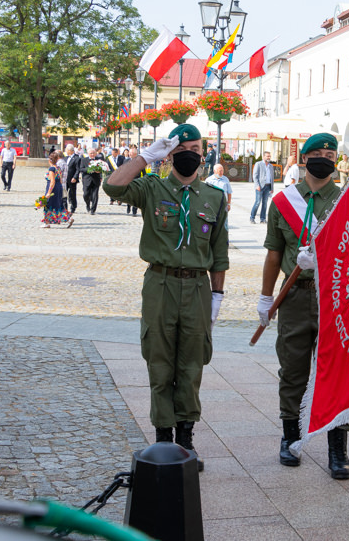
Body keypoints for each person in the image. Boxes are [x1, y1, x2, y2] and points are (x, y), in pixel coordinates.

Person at [103, 124, 229, 471]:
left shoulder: (214, 197)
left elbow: (219, 253)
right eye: (184, 148)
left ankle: (185, 440)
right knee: (159, 362)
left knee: (192, 364)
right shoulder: (151, 188)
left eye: (197, 149)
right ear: (171, 154)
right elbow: (111, 186)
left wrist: (217, 296)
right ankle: (162, 439)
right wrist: (145, 156)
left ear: (204, 155)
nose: (192, 154)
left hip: (198, 288)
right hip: (160, 284)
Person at [257, 132, 349, 479]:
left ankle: (337, 448)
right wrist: (266, 298)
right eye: (319, 152)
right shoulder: (283, 203)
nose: (325, 158)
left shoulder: (348, 200)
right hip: (295, 295)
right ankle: (290, 438)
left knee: (337, 372)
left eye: (331, 153)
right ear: (305, 158)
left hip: (336, 297)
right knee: (293, 370)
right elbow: (273, 254)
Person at [41, 152, 74, 229]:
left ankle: (46, 222)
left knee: (48, 204)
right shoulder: (58, 168)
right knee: (58, 204)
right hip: (59, 187)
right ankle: (68, 219)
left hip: (53, 188)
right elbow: (60, 180)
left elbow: (52, 181)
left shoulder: (52, 169)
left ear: (50, 160)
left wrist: (49, 192)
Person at [81, 146, 110, 214]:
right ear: (88, 153)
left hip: (96, 179)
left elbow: (103, 168)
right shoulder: (83, 160)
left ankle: (93, 210)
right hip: (87, 179)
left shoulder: (99, 160)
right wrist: (90, 170)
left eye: (93, 153)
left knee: (95, 195)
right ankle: (88, 205)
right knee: (86, 194)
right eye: (91, 153)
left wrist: (99, 172)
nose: (92, 154)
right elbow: (81, 169)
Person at [250, 151, 274, 224]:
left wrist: (272, 188)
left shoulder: (271, 166)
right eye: (267, 156)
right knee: (257, 202)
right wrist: (257, 185)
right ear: (263, 157)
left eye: (269, 156)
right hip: (260, 186)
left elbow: (272, 177)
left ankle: (262, 219)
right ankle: (252, 217)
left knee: (265, 203)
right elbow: (255, 175)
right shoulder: (258, 164)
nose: (268, 157)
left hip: (268, 186)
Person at [65, 144, 82, 214]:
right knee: (64, 194)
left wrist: (75, 177)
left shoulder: (77, 158)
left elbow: (78, 169)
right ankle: (64, 207)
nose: (65, 151)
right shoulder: (65, 158)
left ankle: (73, 207)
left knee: (72, 194)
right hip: (65, 179)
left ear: (70, 151)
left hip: (72, 179)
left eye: (66, 150)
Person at [126, 148, 141, 216]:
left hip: (136, 181)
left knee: (136, 196)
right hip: (127, 181)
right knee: (129, 195)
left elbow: (143, 172)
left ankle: (134, 211)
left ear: (135, 154)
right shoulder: (126, 160)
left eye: (131, 153)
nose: (129, 154)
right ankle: (128, 206)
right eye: (129, 152)